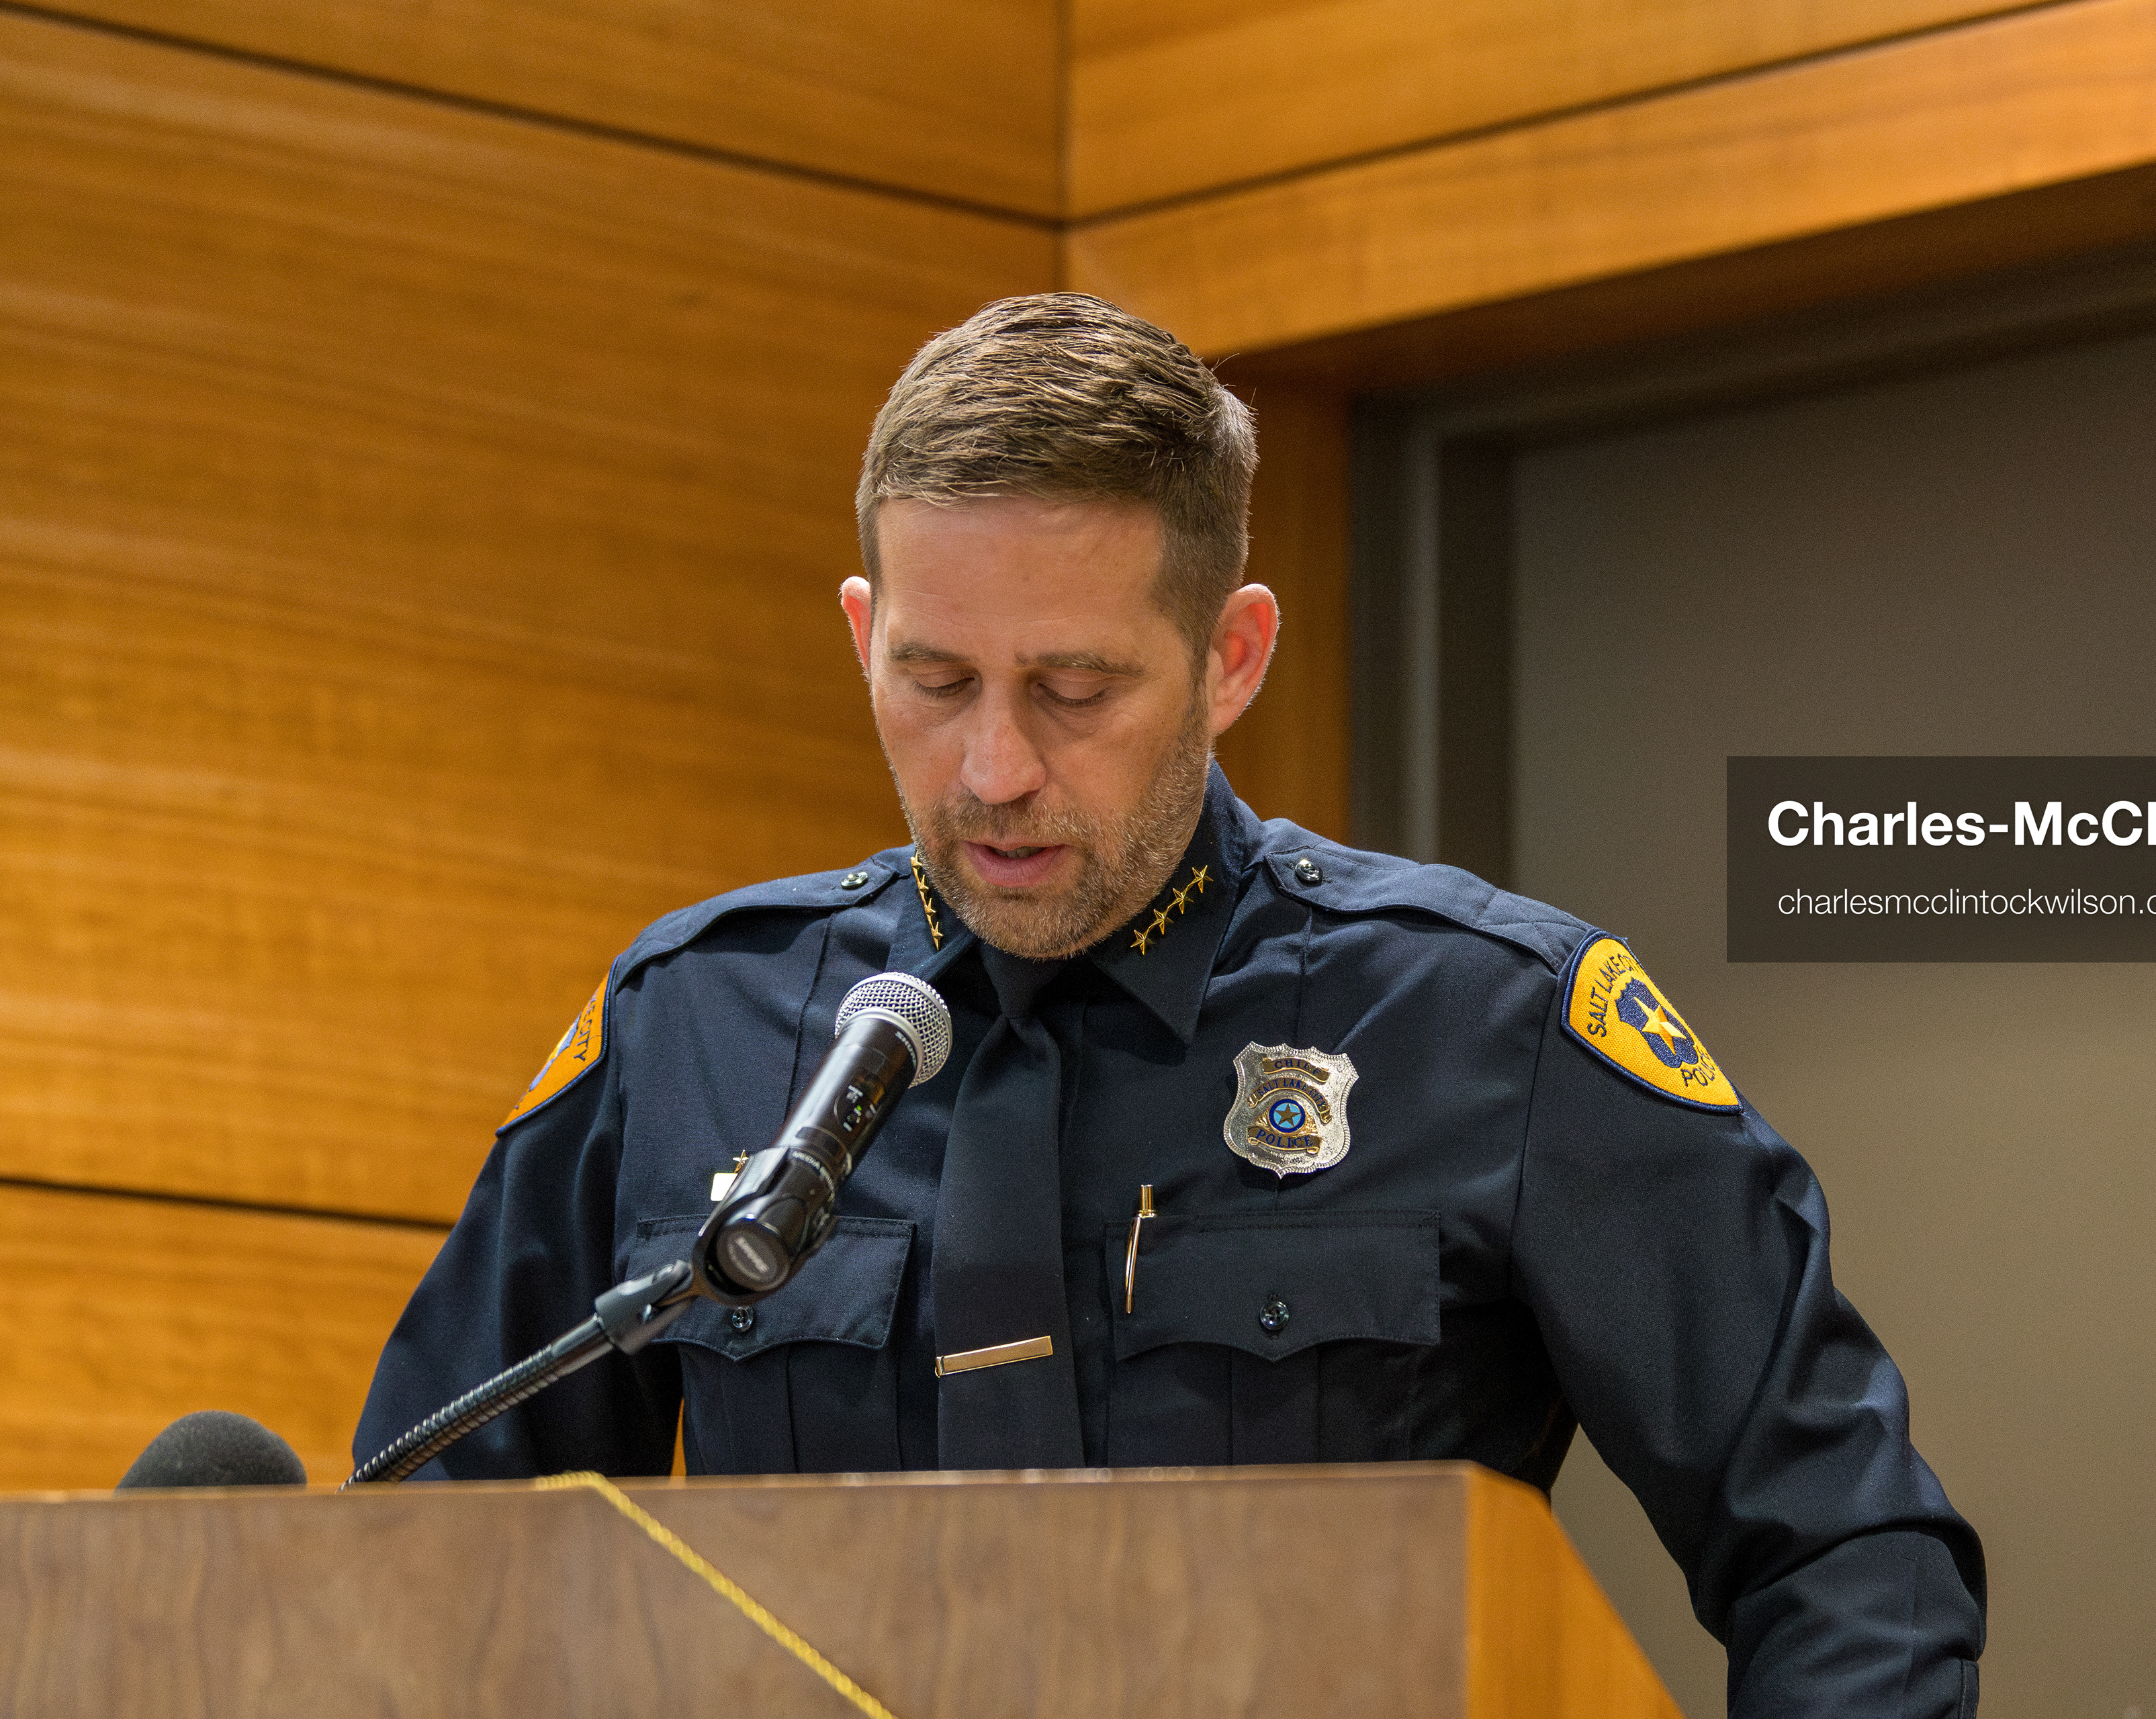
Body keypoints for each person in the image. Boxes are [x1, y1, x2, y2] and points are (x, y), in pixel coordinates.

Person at [356, 293, 1985, 1714]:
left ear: (1233, 655)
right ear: (862, 636)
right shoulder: (689, 1029)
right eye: (935, 681)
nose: (994, 769)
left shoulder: (1491, 1024)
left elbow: (1845, 1547)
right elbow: (427, 1568)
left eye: (1076, 688)